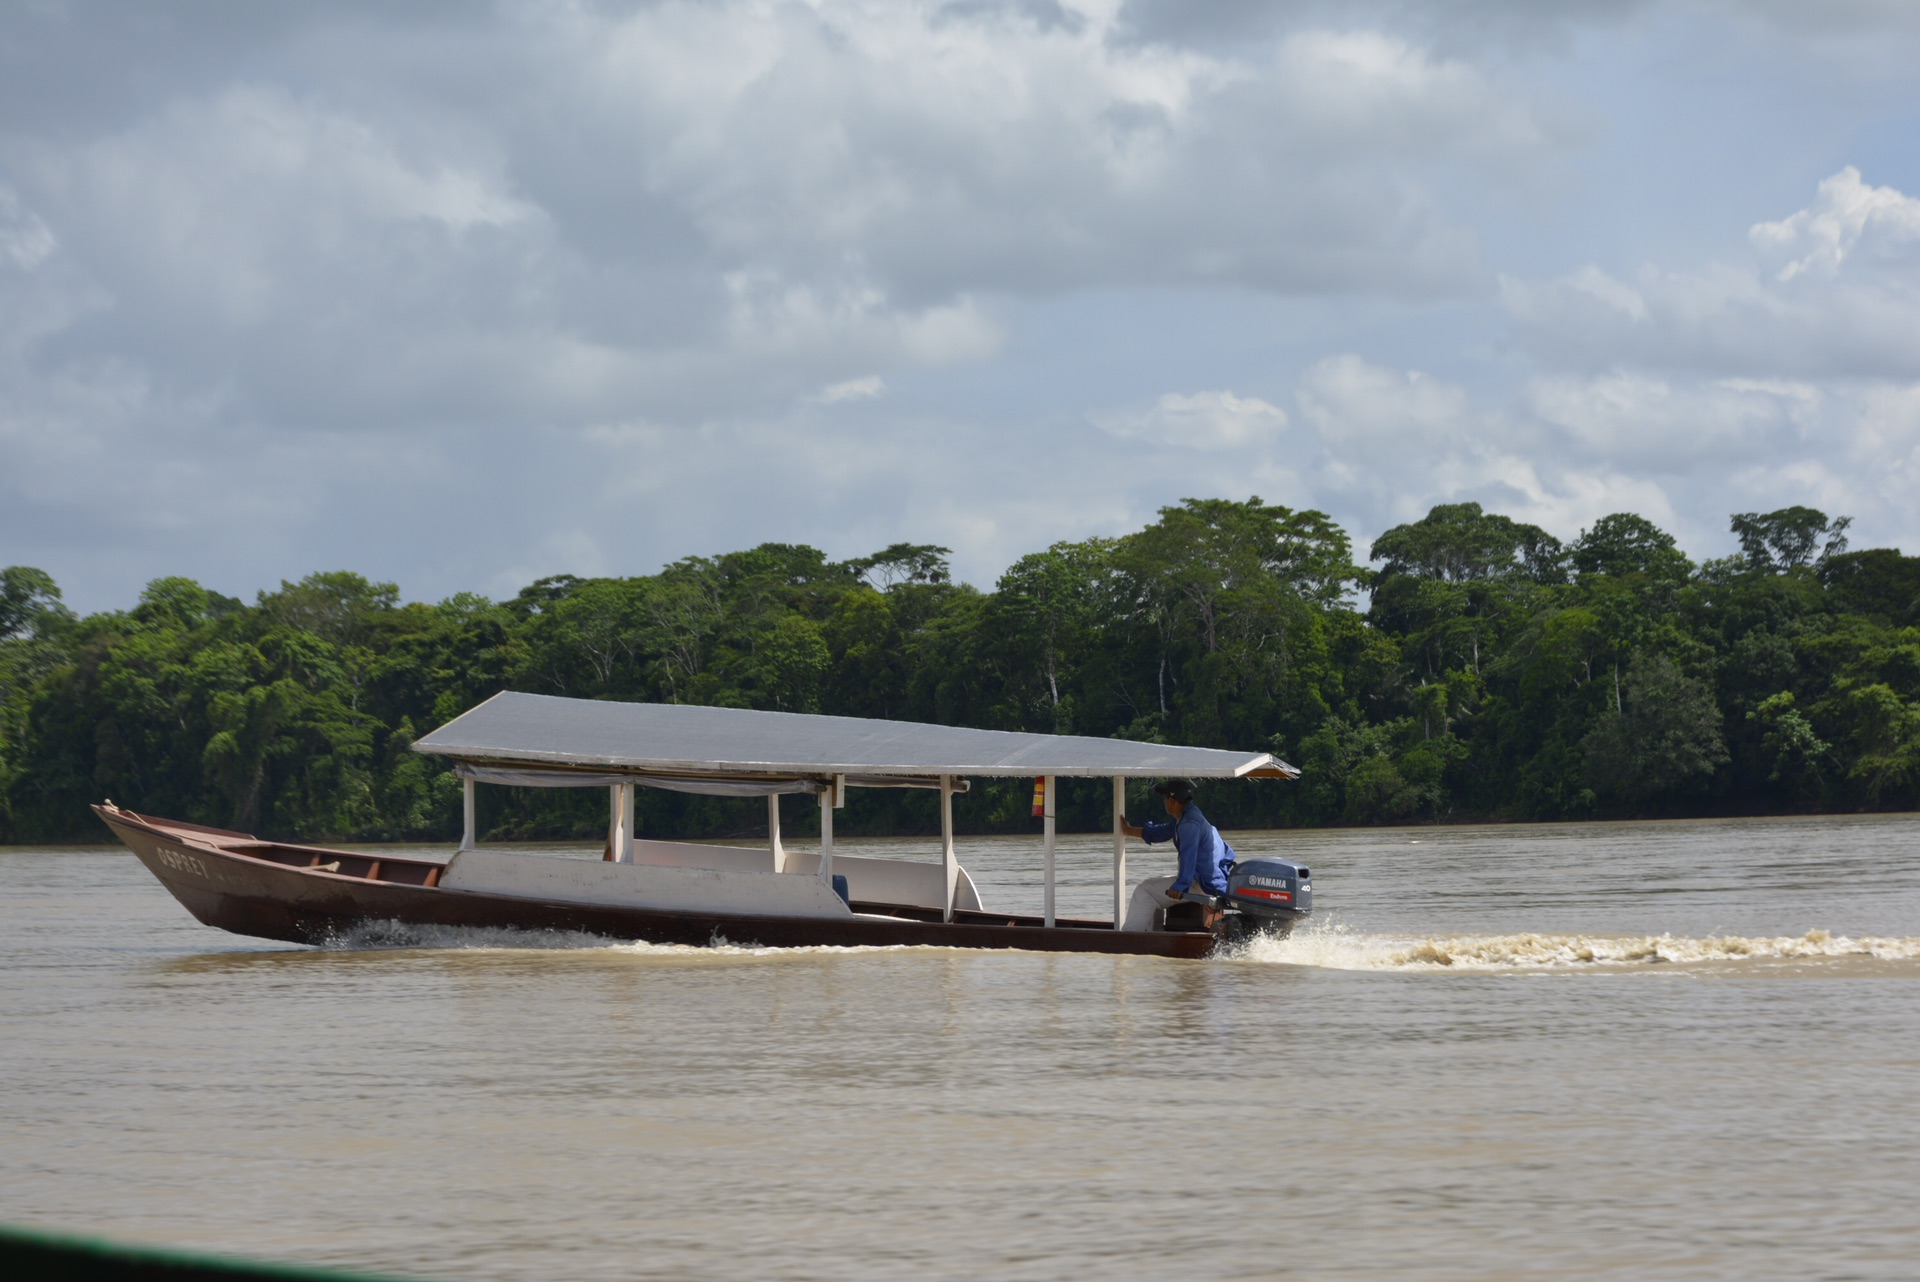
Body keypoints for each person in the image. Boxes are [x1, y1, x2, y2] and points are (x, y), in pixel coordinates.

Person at [1118, 778, 1235, 931]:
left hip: (1203, 883)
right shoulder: (1188, 816)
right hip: (1210, 880)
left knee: (1145, 890)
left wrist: (1181, 885)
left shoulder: (1188, 825)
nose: (1164, 801)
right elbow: (1160, 832)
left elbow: (1189, 856)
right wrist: (1129, 830)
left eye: (1165, 798)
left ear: (1171, 800)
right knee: (1153, 886)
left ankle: (1131, 938)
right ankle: (1153, 935)